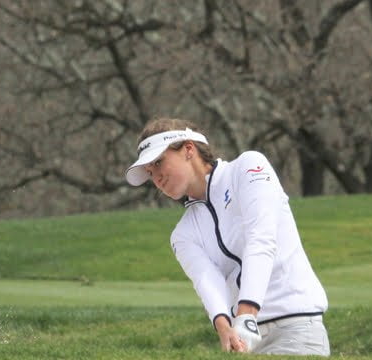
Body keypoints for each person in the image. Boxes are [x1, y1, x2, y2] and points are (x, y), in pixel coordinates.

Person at [125, 117, 330, 355]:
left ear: (188, 149)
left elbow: (261, 239)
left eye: (159, 162)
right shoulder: (183, 234)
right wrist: (225, 328)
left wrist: (246, 314)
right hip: (246, 340)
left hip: (295, 325)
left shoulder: (248, 168)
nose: (156, 177)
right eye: (150, 172)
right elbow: (207, 281)